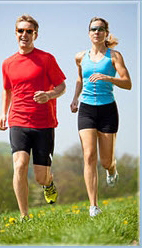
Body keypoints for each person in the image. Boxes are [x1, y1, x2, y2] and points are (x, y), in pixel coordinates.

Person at [0, 14, 66, 221]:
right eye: (20, 31)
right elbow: (7, 90)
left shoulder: (46, 59)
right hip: (18, 120)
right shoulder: (7, 63)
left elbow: (61, 86)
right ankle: (24, 215)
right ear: (15, 33)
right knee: (19, 165)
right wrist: (3, 113)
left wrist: (49, 95)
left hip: (44, 123)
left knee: (40, 177)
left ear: (35, 34)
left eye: (29, 31)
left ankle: (49, 183)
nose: (24, 35)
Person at [70, 17, 132, 217]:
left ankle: (112, 169)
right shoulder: (80, 56)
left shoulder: (114, 56)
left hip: (107, 110)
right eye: (93, 29)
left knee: (105, 160)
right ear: (89, 33)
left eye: (100, 29)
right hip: (86, 109)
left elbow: (127, 83)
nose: (96, 32)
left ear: (106, 33)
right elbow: (80, 78)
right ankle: (93, 206)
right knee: (88, 156)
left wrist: (108, 77)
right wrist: (74, 99)